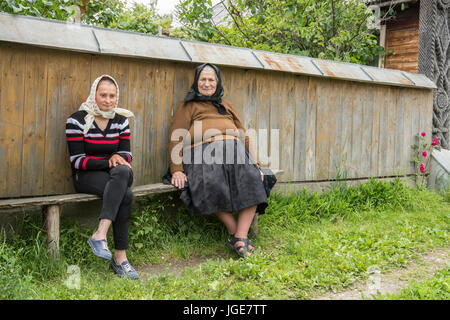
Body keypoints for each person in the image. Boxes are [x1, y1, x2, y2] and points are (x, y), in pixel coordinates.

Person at [167, 63, 268, 258]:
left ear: (217, 82)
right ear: (196, 83)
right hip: (203, 154)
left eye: (211, 80)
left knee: (252, 178)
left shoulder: (226, 105)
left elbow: (244, 136)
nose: (206, 84)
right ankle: (234, 231)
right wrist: (177, 170)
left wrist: (256, 165)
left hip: (235, 153)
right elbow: (176, 137)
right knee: (210, 182)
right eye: (202, 80)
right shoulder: (188, 106)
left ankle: (240, 236)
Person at [66, 75, 138, 279]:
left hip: (117, 175)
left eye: (112, 96)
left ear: (117, 97)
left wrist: (117, 158)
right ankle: (120, 259)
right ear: (94, 95)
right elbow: (78, 160)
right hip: (86, 176)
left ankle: (100, 234)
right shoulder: (77, 120)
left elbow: (127, 155)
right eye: (103, 95)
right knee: (126, 195)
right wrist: (109, 161)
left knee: (123, 170)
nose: (108, 100)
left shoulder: (121, 120)